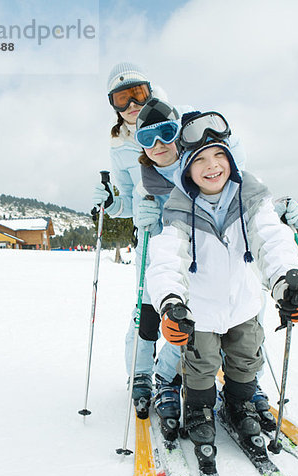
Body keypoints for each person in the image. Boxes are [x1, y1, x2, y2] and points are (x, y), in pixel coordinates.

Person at [145, 111, 298, 473]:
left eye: (219, 155)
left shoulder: (251, 197)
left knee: (245, 361)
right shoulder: (178, 209)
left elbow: (272, 240)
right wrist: (170, 302)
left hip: (243, 306)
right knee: (201, 366)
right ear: (187, 169)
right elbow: (166, 260)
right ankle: (200, 409)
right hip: (201, 312)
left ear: (231, 159)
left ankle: (239, 406)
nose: (211, 166)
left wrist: (286, 282)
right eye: (200, 160)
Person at [91, 63, 196, 419]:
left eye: (137, 93)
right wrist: (111, 203)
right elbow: (126, 201)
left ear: (150, 90)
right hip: (150, 235)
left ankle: (169, 372)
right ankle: (140, 375)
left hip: (189, 232)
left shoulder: (172, 122)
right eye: (122, 98)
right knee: (147, 311)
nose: (132, 104)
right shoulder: (119, 145)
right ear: (114, 106)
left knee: (185, 309)